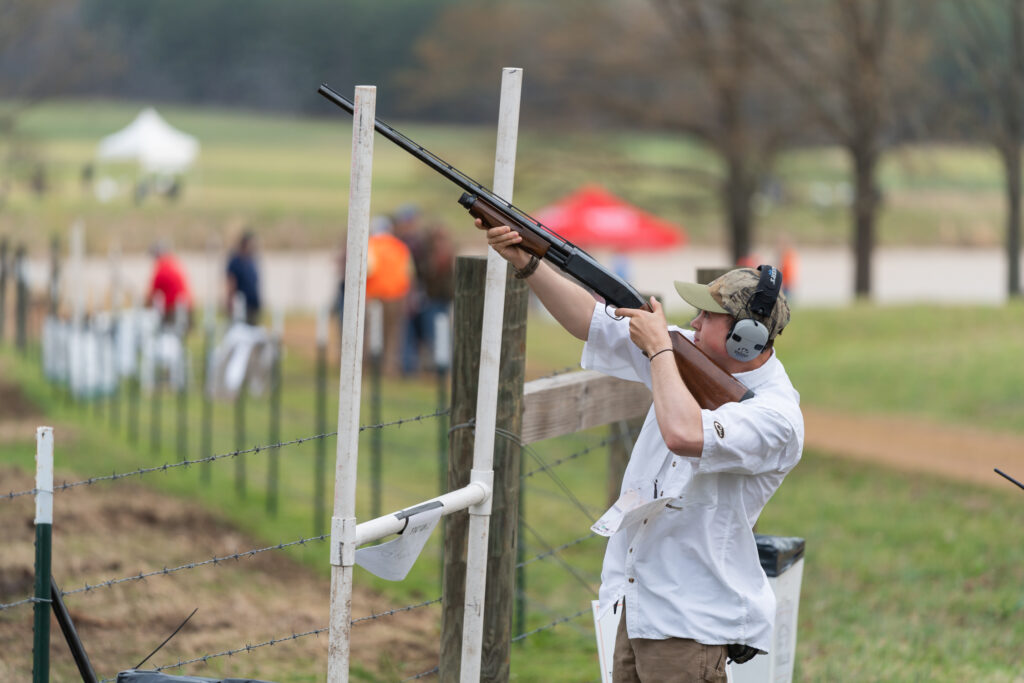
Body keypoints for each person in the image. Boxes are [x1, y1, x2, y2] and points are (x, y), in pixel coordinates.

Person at [480, 221, 804, 683]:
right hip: (641, 603)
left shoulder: (777, 417)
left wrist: (658, 353)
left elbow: (683, 434)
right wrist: (529, 263)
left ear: (745, 337)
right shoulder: (690, 358)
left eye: (707, 317)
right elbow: (591, 324)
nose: (692, 323)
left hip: (691, 621)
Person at [364, 216, 413, 376]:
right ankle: (390, 369)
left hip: (375, 296)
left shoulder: (371, 245)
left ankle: (368, 367)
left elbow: (369, 268)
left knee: (371, 331)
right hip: (396, 296)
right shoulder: (400, 246)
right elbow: (409, 273)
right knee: (393, 334)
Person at [146, 240, 192, 328]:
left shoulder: (161, 269)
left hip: (174, 310)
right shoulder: (174, 262)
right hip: (186, 307)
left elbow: (150, 295)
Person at [226, 230, 262, 326]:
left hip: (253, 304)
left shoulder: (252, 260)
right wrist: (230, 302)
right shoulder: (235, 261)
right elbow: (231, 282)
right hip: (241, 305)